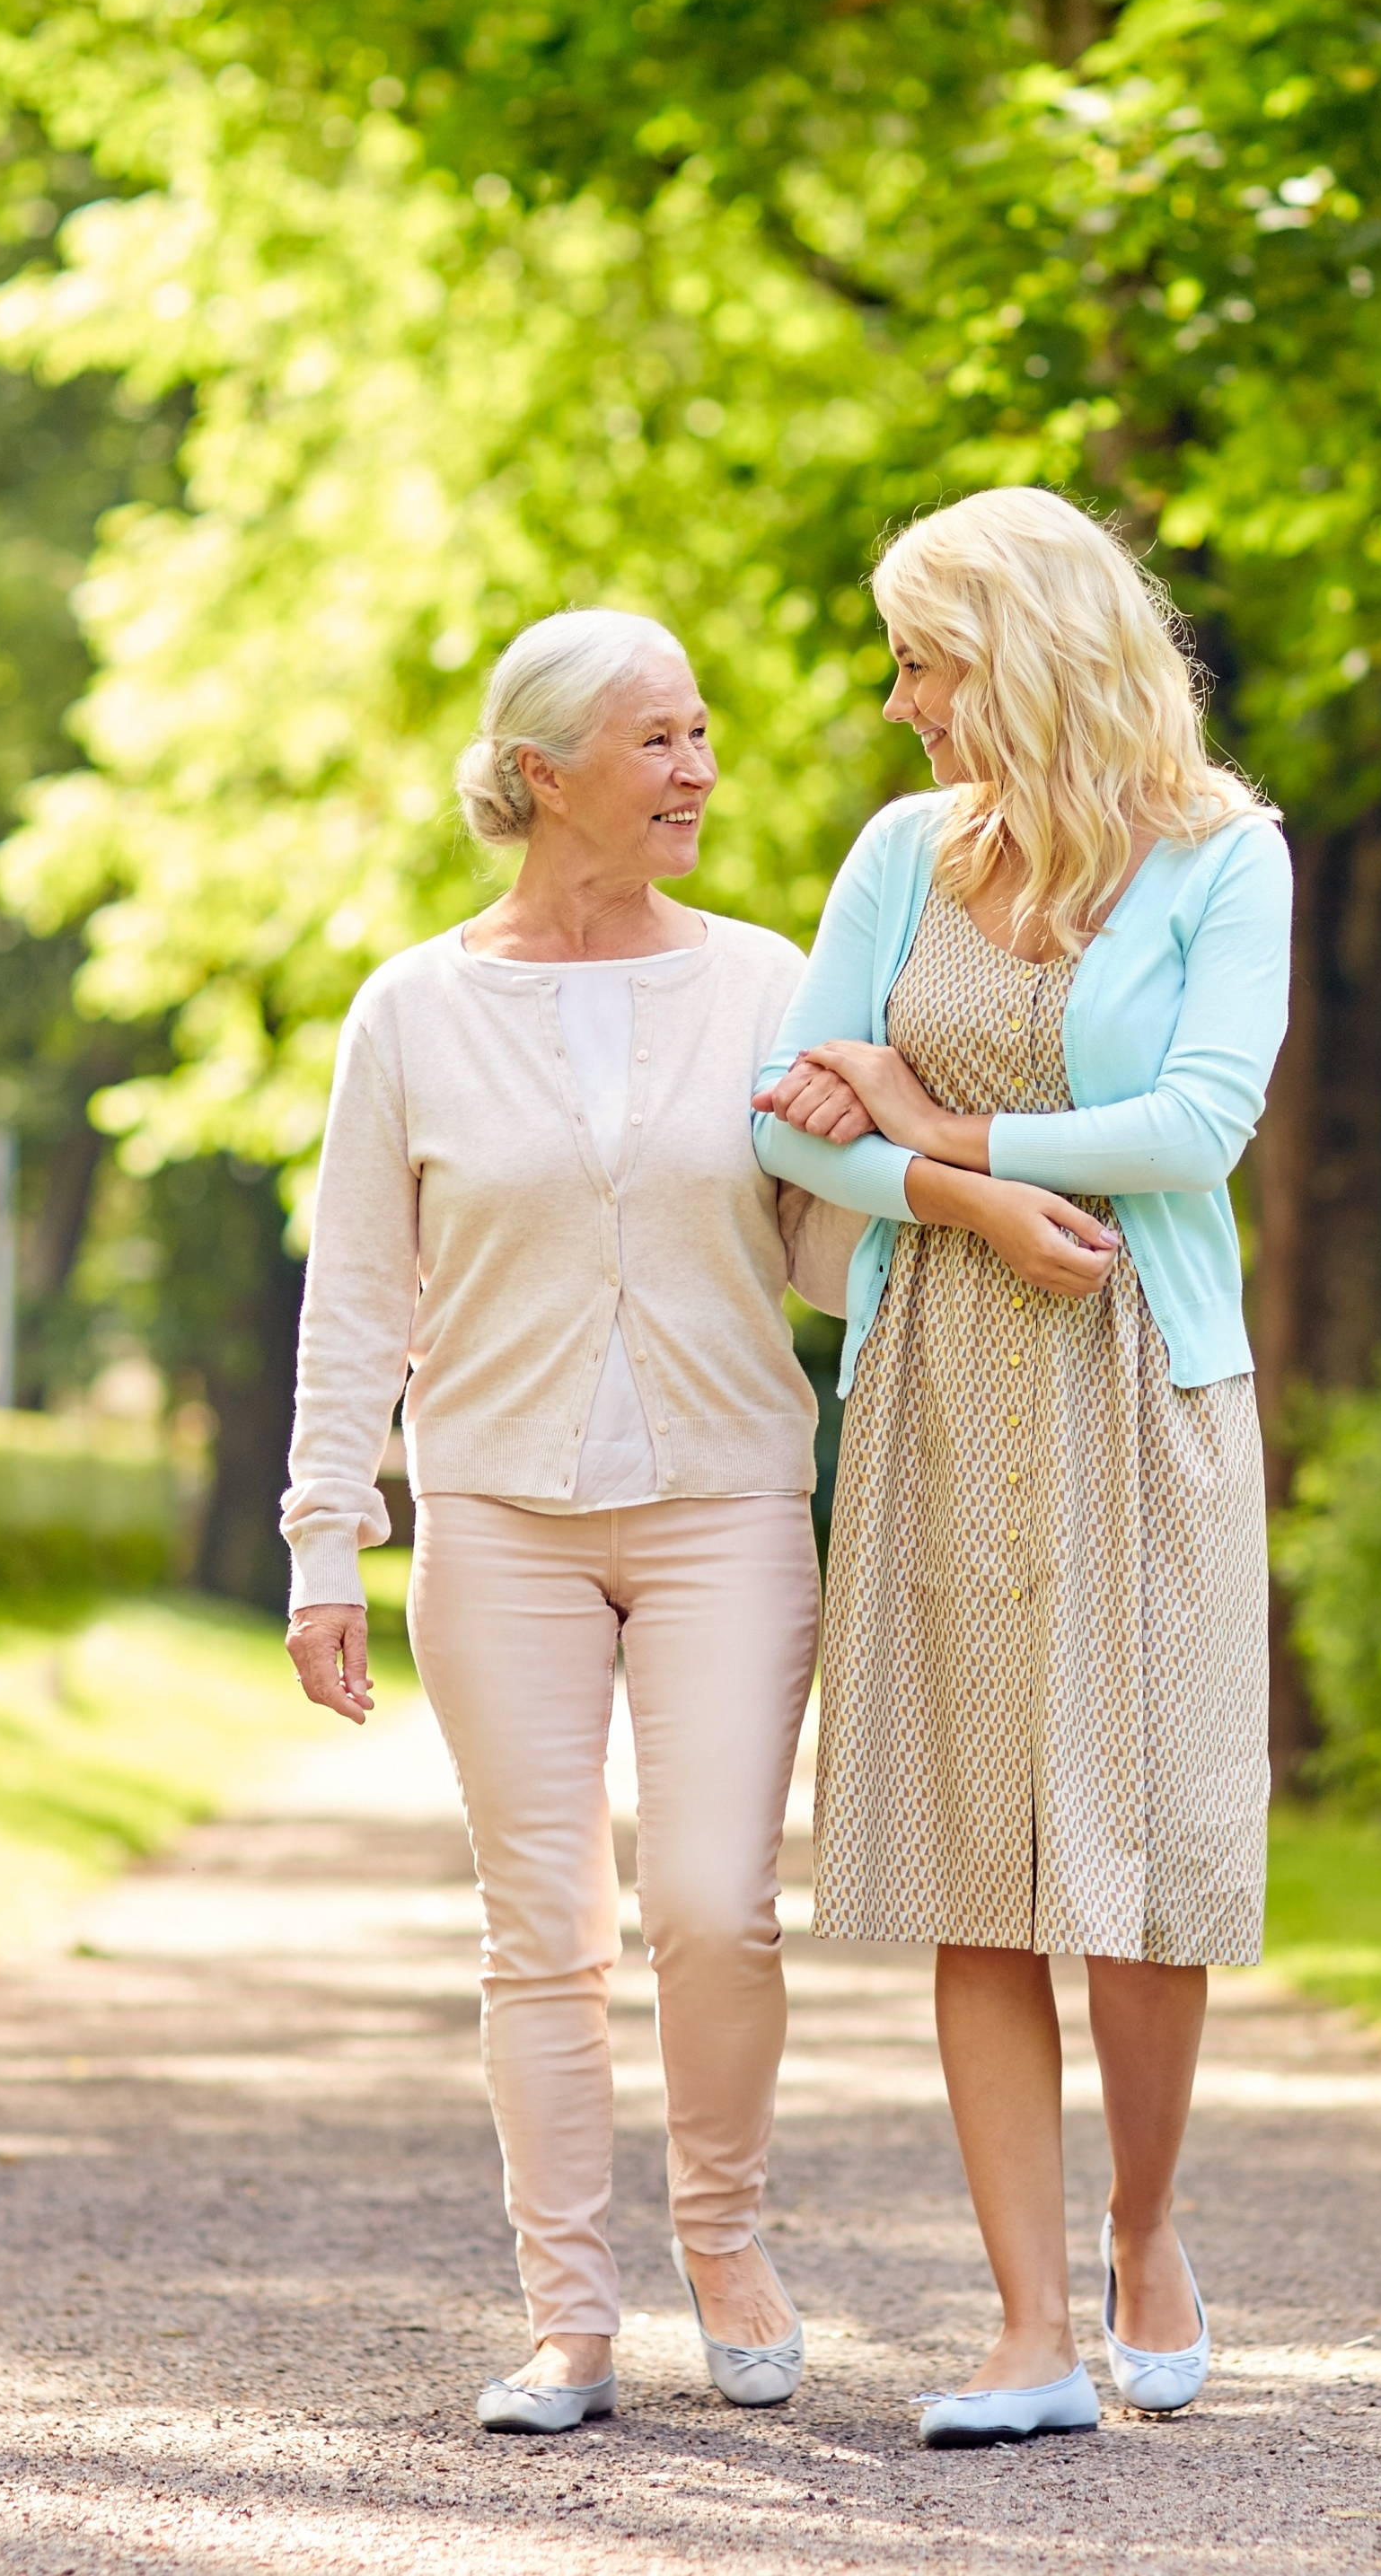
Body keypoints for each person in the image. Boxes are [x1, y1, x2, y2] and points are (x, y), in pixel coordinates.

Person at [752, 487, 1291, 2449]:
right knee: (981, 1865)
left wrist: (937, 1126)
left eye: (925, 659)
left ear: (1031, 653)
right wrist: (940, 1196)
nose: (897, 702)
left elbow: (1196, 1128)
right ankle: (1028, 2332)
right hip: (942, 1386)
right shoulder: (904, 853)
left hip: (1149, 1384)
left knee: (1138, 1861)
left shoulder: (1229, 858)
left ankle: (1151, 2244)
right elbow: (788, 1115)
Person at [282, 609, 857, 2434]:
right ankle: (570, 2320)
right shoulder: (415, 1007)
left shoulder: (769, 981)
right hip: (500, 1517)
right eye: (660, 741)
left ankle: (728, 2241)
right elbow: (357, 1293)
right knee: (542, 1930)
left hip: (727, 1497)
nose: (700, 772)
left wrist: (886, 1125)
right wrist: (322, 1539)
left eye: (702, 735)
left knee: (712, 1905)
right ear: (542, 774)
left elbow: (831, 1269)